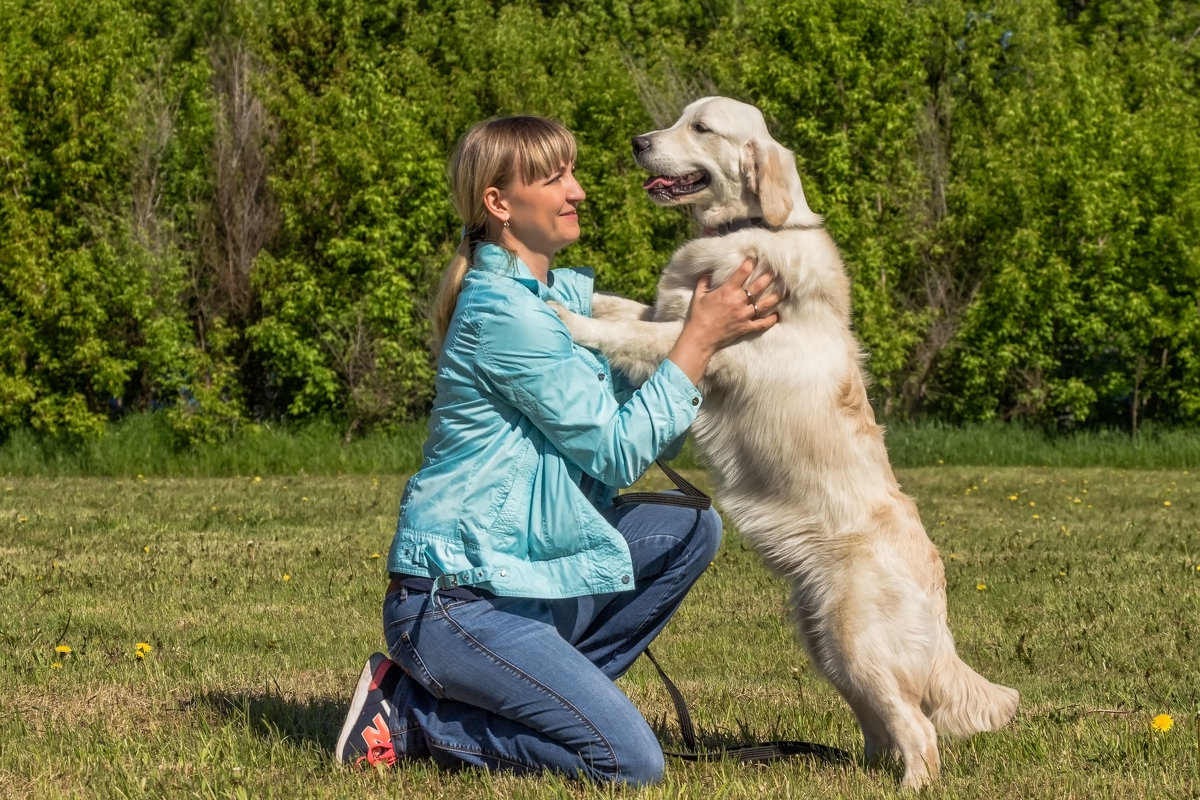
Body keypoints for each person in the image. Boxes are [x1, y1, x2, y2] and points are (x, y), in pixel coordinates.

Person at [333, 114, 779, 785]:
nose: (579, 191)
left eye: (571, 172)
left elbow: (645, 422)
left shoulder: (549, 304)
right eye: (555, 178)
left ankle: (545, 702)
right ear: (499, 202)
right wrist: (696, 342)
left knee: (689, 527)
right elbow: (618, 453)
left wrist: (702, 343)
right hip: (456, 602)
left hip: (523, 577)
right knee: (629, 763)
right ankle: (412, 716)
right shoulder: (506, 316)